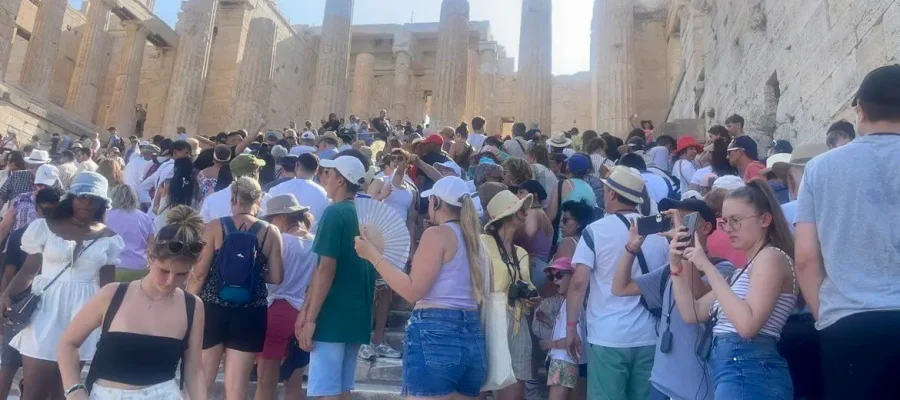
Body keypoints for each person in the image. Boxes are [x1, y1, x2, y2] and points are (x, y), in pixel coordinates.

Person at [795, 65, 900, 400]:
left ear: (861, 110)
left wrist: (826, 317)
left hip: (850, 326)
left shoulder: (819, 168)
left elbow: (807, 260)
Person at [353, 176, 487, 399]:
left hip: (435, 332)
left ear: (436, 202)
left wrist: (372, 255)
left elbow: (412, 291)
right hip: (472, 335)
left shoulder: (437, 235)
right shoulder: (476, 240)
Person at [57, 206, 205, 400]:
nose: (170, 281)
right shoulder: (113, 294)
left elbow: (194, 370)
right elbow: (68, 343)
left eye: (181, 275)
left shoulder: (192, 305)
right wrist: (74, 389)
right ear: (150, 257)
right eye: (164, 271)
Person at [0, 172, 124, 400]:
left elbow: (109, 286)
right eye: (82, 196)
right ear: (72, 197)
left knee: (64, 391)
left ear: (103, 203)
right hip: (44, 309)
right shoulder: (45, 227)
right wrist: (6, 295)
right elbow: (29, 270)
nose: (88, 202)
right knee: (34, 391)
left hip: (84, 312)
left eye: (94, 198)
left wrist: (113, 323)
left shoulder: (109, 238)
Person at [670, 180, 796, 399]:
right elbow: (694, 312)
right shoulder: (745, 269)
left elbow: (748, 326)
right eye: (725, 221)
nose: (728, 229)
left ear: (765, 219)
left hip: (749, 368)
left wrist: (706, 266)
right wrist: (676, 263)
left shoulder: (771, 257)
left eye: (736, 221)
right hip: (741, 368)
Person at [611, 198, 735, 400]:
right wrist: (632, 248)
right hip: (661, 381)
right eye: (674, 219)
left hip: (697, 387)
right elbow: (620, 288)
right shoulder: (670, 269)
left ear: (706, 228)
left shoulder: (723, 269)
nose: (678, 225)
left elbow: (696, 294)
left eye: (686, 219)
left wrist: (684, 244)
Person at [566, 166, 669, 400]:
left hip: (608, 335)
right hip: (649, 335)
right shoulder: (657, 232)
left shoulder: (595, 231)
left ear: (612, 193)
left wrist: (571, 327)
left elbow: (578, 283)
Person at [189, 176, 284, 400]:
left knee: (202, 379)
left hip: (213, 308)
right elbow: (277, 277)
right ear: (258, 200)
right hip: (250, 312)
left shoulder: (214, 227)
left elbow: (200, 272)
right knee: (237, 385)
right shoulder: (271, 232)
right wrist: (253, 271)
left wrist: (188, 303)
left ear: (233, 198)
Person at [294, 155, 373, 400]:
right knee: (342, 388)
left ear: (340, 180)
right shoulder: (366, 213)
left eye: (327, 173)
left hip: (332, 314)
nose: (323, 177)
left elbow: (325, 268)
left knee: (325, 391)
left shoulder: (334, 213)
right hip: (358, 313)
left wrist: (310, 316)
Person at [0, 187, 60, 400]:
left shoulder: (22, 233)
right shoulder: (24, 235)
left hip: (30, 307)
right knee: (9, 365)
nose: (50, 215)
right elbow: (10, 273)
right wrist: (3, 300)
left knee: (13, 366)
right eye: (47, 211)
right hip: (22, 306)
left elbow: (9, 273)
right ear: (37, 209)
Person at [358, 150, 417, 361]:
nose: (397, 162)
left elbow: (411, 220)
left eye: (401, 158)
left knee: (385, 295)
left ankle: (378, 340)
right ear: (389, 161)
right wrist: (382, 196)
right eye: (394, 158)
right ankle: (363, 340)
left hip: (397, 245)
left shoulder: (411, 189)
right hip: (377, 241)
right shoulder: (380, 180)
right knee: (371, 292)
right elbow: (365, 204)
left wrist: (410, 251)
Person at [255, 195, 316, 400]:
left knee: (265, 382)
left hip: (277, 311)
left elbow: (272, 281)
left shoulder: (282, 242)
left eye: (272, 219)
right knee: (294, 381)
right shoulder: (316, 243)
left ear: (281, 216)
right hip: (305, 314)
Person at [482, 189, 539, 400]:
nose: (526, 212)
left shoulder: (521, 252)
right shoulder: (481, 243)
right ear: (507, 215)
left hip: (517, 321)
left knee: (514, 392)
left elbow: (528, 285)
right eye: (520, 208)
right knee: (478, 385)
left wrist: (533, 298)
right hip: (487, 318)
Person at [541, 257, 587, 400]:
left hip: (563, 361)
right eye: (551, 276)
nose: (555, 280)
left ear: (573, 276)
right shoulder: (573, 303)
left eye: (559, 275)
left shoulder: (571, 305)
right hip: (574, 363)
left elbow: (572, 341)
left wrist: (549, 344)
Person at [200, 154, 273, 223]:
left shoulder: (210, 200)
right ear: (253, 173)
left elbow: (203, 230)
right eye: (259, 169)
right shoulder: (266, 199)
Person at [106, 184, 154, 282]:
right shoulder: (145, 217)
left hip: (112, 268)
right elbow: (152, 246)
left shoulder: (105, 216)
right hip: (140, 268)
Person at [268, 153, 329, 230]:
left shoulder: (277, 188)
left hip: (281, 239)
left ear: (296, 166)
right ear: (316, 171)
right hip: (312, 240)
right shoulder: (324, 194)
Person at [547, 154, 598, 243]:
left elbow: (551, 215)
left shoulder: (561, 184)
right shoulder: (590, 190)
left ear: (569, 167)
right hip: (582, 241)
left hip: (561, 238)